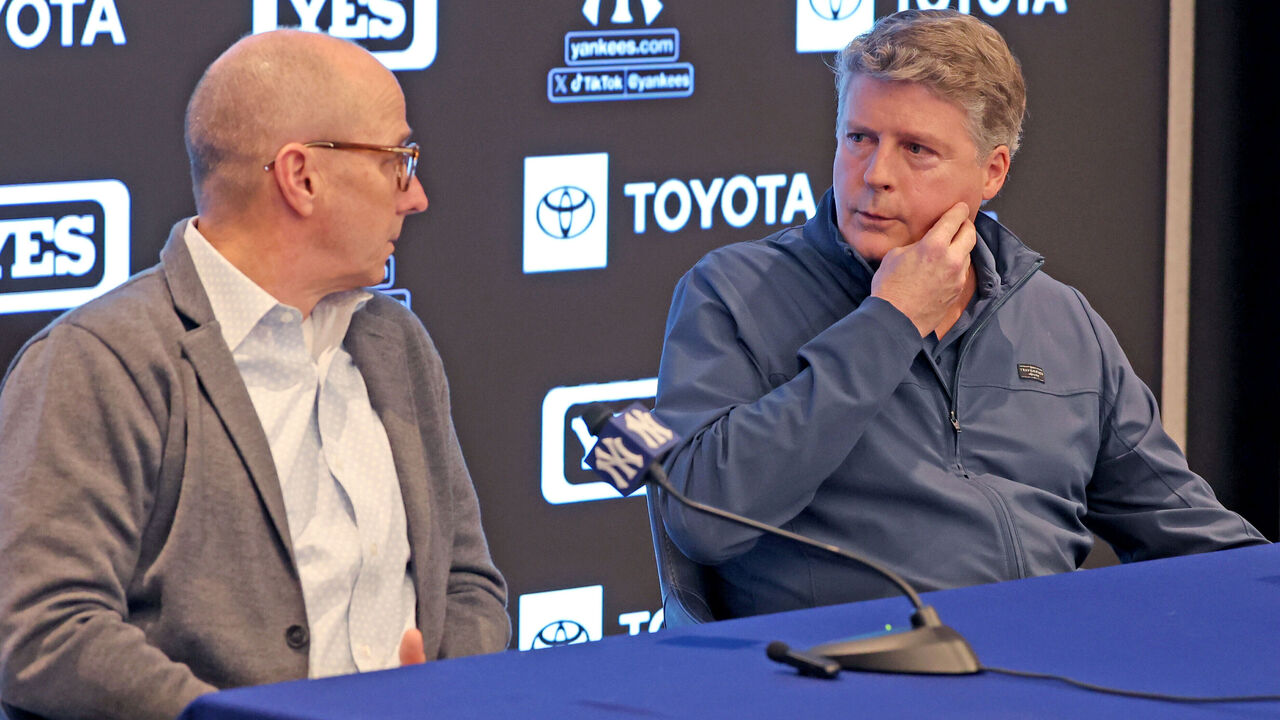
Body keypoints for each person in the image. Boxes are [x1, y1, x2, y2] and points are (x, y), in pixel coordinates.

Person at [653, 9, 1267, 620]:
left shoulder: (1059, 319)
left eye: (916, 149)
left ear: (992, 172)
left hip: (1046, 659)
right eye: (859, 138)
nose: (875, 175)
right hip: (853, 664)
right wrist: (890, 321)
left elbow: (1187, 530)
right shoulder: (737, 291)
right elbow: (702, 518)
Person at [0, 30, 509, 720]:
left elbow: (466, 583)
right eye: (397, 161)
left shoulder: (396, 344)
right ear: (302, 177)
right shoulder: (99, 360)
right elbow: (43, 630)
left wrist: (447, 699)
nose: (414, 196)